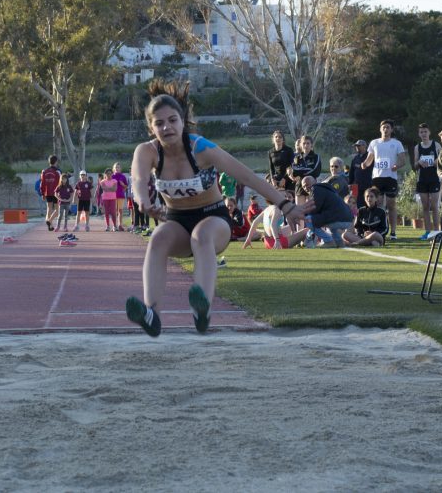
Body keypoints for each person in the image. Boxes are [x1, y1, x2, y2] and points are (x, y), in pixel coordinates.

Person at [126, 80, 306, 337]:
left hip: (213, 218)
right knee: (157, 239)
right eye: (159, 123)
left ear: (182, 120)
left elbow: (247, 176)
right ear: (150, 127)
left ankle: (202, 309)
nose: (167, 127)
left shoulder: (201, 148)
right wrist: (143, 201)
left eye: (172, 120)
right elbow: (137, 178)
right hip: (176, 222)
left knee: (202, 236)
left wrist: (286, 205)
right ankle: (151, 313)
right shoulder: (147, 151)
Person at [362, 120, 407, 240]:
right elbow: (369, 159)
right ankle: (379, 231)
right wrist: (364, 164)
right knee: (379, 205)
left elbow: (403, 160)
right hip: (377, 178)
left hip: (391, 178)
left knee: (391, 205)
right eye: (383, 127)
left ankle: (393, 232)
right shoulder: (374, 143)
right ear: (380, 129)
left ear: (392, 130)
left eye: (388, 127)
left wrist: (396, 166)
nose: (385, 130)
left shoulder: (397, 143)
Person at [242, 193, 313, 250]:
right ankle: (309, 245)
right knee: (307, 230)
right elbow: (273, 224)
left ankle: (303, 242)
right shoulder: (276, 209)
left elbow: (255, 222)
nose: (286, 198)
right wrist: (277, 240)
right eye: (284, 196)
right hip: (278, 242)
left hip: (267, 242)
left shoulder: (267, 209)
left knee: (291, 227)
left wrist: (248, 240)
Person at [300, 175, 355, 247]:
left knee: (308, 220)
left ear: (315, 182)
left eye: (307, 184)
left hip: (339, 219)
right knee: (332, 229)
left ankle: (328, 241)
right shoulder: (326, 189)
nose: (306, 187)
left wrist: (303, 214)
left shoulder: (316, 188)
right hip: (347, 219)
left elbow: (315, 209)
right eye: (304, 186)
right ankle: (339, 243)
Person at [412, 123, 442, 239]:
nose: (423, 134)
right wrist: (419, 162)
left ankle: (437, 232)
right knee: (425, 207)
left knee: (434, 206)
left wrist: (436, 162)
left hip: (434, 179)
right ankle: (427, 232)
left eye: (425, 131)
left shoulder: (436, 145)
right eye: (421, 132)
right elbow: (415, 164)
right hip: (422, 180)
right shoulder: (417, 147)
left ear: (429, 132)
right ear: (419, 134)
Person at [40, 155, 62, 231]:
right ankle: (49, 221)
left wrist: (42, 193)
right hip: (55, 193)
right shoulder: (57, 171)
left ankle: (50, 226)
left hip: (47, 193)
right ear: (56, 162)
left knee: (49, 209)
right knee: (57, 210)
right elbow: (60, 183)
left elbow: (42, 183)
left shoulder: (44, 171)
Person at [111, 162, 129, 231]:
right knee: (114, 211)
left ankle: (120, 225)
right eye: (116, 167)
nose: (117, 168)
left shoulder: (123, 176)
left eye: (118, 167)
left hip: (121, 196)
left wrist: (123, 186)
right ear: (113, 169)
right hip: (113, 196)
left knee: (120, 211)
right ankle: (114, 225)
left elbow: (126, 186)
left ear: (120, 168)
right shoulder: (112, 176)